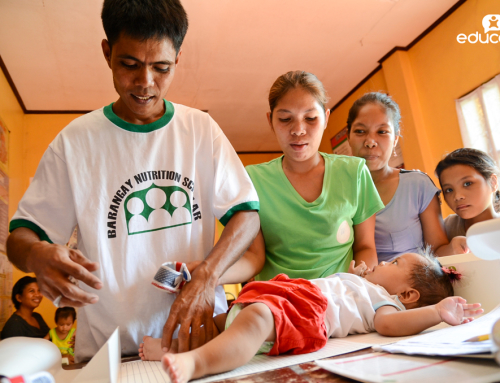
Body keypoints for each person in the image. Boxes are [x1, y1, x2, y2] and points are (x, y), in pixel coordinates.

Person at [6, 0, 260, 361]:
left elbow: (247, 216)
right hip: (109, 354)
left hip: (194, 344)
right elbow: (20, 236)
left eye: (161, 67)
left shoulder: (200, 131)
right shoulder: (75, 142)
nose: (145, 83)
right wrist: (36, 253)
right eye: (129, 65)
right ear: (107, 52)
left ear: (178, 59)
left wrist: (208, 274)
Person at [151, 249, 481, 383]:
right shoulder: (368, 285)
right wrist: (358, 276)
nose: (384, 262)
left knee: (251, 324)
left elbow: (389, 326)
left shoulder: (385, 303)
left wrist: (435, 313)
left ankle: (194, 364)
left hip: (306, 312)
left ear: (407, 296)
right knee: (225, 321)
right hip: (289, 294)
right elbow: (348, 287)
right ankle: (177, 347)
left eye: (395, 265)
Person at [241, 71, 384, 283]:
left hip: (339, 299)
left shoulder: (354, 172)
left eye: (310, 118)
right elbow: (253, 258)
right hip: (279, 302)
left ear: (326, 118)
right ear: (270, 121)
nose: (298, 130)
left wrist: (357, 289)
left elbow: (365, 247)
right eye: (285, 119)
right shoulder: (252, 179)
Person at [346, 92, 463, 260]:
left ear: (395, 139)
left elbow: (437, 252)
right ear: (348, 136)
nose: (370, 141)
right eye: (360, 131)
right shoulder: (334, 189)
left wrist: (455, 247)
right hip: (352, 284)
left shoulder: (417, 185)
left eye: (382, 131)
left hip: (412, 284)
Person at [435, 148, 500, 243]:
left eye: (467, 184)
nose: (457, 196)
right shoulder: (444, 229)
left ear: (493, 182)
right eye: (449, 190)